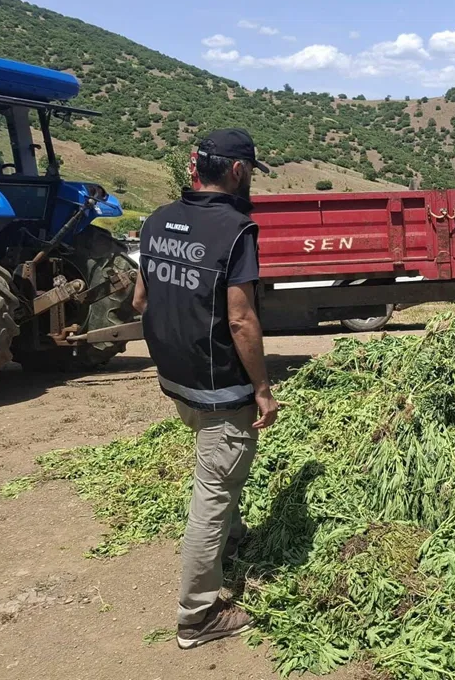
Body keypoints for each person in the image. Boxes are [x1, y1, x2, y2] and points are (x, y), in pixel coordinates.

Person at [132, 128, 280, 650]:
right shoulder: (236, 231)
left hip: (177, 380)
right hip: (221, 388)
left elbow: (139, 299)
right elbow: (242, 320)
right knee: (212, 492)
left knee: (219, 469)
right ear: (237, 172)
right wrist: (262, 387)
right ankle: (196, 616)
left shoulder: (155, 221)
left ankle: (234, 542)